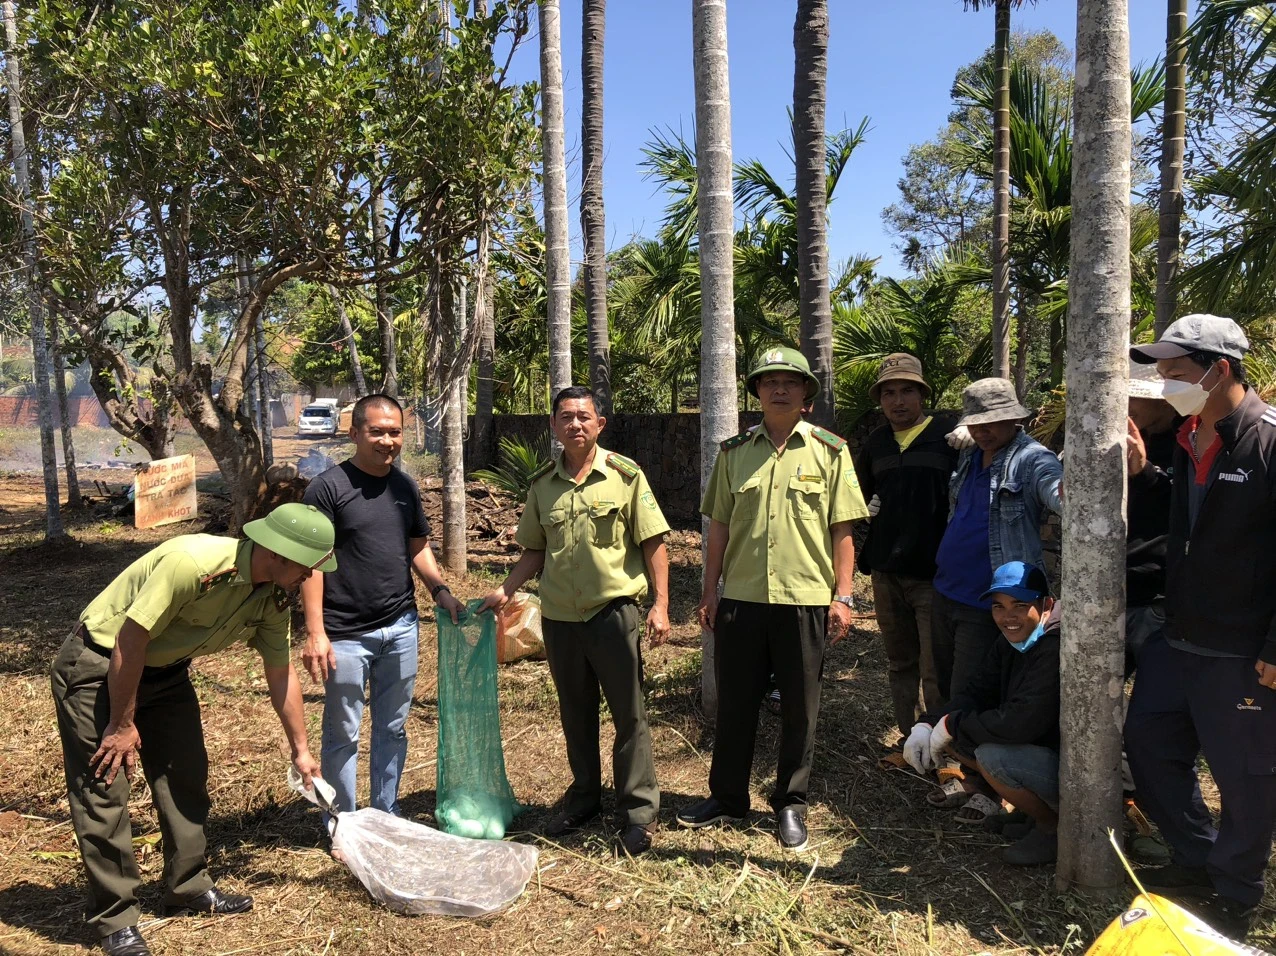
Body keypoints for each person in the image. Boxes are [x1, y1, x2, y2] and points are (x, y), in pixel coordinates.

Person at [51, 503, 335, 956]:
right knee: (104, 786)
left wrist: (301, 750)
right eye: (307, 565)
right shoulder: (192, 563)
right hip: (101, 666)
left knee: (184, 775)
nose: (311, 576)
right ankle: (115, 919)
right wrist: (121, 723)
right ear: (277, 554)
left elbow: (280, 673)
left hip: (165, 673)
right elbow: (130, 639)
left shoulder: (272, 597)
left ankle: (188, 887)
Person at [676, 347, 869, 852]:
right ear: (757, 392)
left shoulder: (830, 452)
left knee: (800, 708)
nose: (779, 389)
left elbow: (842, 530)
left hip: (804, 599)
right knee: (736, 703)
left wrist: (843, 597)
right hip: (742, 598)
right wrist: (710, 591)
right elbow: (719, 526)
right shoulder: (734, 452)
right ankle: (727, 797)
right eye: (768, 381)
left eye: (790, 381)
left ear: (807, 393)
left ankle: (790, 802)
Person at [1124, 314, 1276, 941]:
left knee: (1246, 778)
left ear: (1221, 369)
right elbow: (1195, 520)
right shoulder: (1188, 437)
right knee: (1148, 743)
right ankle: (1196, 856)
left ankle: (1237, 894)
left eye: (1176, 369)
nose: (1164, 381)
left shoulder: (1267, 442)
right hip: (1179, 633)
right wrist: (1146, 474)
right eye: (1161, 369)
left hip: (1240, 648)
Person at [481, 385, 671, 856]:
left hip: (613, 614)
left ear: (599, 424)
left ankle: (638, 812)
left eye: (584, 416)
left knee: (629, 715)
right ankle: (584, 797)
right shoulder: (543, 484)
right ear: (553, 425)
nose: (575, 424)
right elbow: (535, 549)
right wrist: (505, 590)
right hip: (561, 619)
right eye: (566, 416)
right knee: (575, 712)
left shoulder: (625, 476)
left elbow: (653, 542)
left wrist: (661, 604)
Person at [300, 394, 465, 822]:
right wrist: (316, 632)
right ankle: (342, 823)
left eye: (394, 432)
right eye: (376, 432)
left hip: (401, 627)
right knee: (343, 733)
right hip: (345, 634)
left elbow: (417, 546)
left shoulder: (404, 486)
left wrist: (440, 590)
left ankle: (386, 813)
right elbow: (311, 562)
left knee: (392, 727)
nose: (387, 441)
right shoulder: (328, 488)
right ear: (354, 433)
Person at [903, 561, 1061, 866]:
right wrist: (928, 724)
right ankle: (1033, 816)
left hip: (1075, 767)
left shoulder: (1055, 647)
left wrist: (953, 724)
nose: (1008, 617)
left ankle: (1052, 829)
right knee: (955, 736)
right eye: (999, 607)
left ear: (1046, 605)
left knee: (992, 757)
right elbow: (976, 692)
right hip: (1046, 749)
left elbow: (1021, 723)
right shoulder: (1010, 641)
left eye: (1020, 605)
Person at [854, 353, 959, 747]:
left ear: (922, 394)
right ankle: (908, 738)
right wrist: (864, 510)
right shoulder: (877, 444)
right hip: (886, 573)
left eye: (907, 391)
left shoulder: (948, 437)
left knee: (936, 665)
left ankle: (940, 746)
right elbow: (857, 497)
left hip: (934, 574)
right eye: (889, 393)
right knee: (900, 662)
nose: (898, 401)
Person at [1123, 360, 1179, 671]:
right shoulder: (1118, 440)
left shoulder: (1190, 442)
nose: (1126, 405)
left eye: (1135, 396)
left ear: (1164, 399)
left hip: (1157, 597)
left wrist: (1145, 472)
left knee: (1154, 688)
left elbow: (1188, 508)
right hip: (1112, 585)